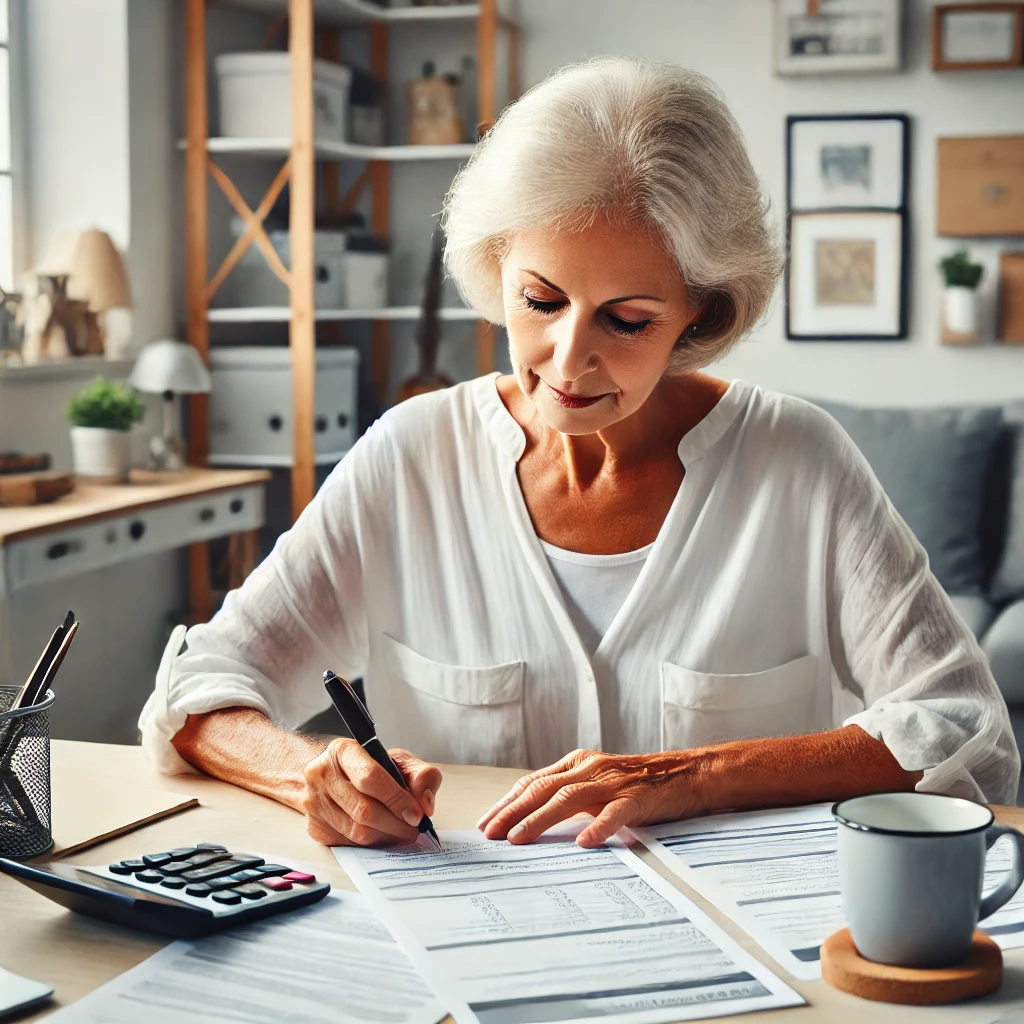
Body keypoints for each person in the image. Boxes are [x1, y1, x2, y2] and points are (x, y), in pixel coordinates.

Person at [140, 57, 1019, 851]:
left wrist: (694, 775)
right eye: (539, 300)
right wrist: (310, 775)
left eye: (628, 320)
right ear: (496, 268)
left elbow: (967, 733)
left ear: (699, 314)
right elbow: (200, 688)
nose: (567, 361)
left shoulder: (798, 460)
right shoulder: (411, 456)